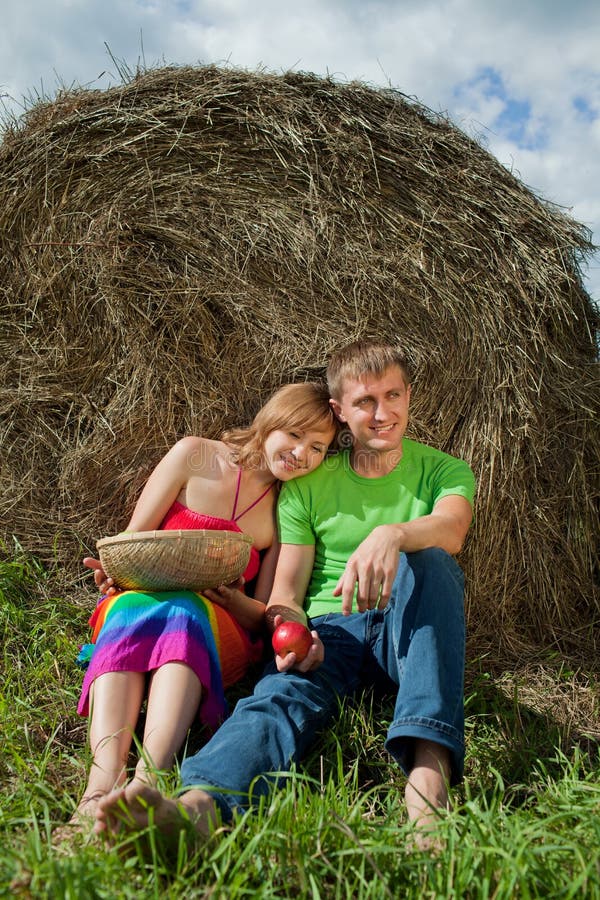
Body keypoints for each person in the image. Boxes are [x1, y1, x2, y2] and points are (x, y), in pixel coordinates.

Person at [94, 340, 476, 848]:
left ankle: (427, 784)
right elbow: (288, 590)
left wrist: (393, 535)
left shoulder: (444, 470)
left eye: (393, 396)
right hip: (333, 629)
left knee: (430, 561)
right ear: (339, 411)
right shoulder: (308, 485)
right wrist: (293, 633)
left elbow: (451, 529)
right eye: (365, 402)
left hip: (411, 626)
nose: (382, 414)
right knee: (276, 697)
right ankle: (197, 810)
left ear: (409, 396)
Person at [64, 382, 338, 829]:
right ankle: (99, 785)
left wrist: (234, 598)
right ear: (270, 420)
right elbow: (133, 538)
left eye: (318, 448)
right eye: (294, 434)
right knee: (134, 608)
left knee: (186, 614)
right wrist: (111, 571)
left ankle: (147, 777)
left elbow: (263, 614)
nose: (300, 453)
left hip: (216, 624)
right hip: (142, 599)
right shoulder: (193, 454)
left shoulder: (287, 509)